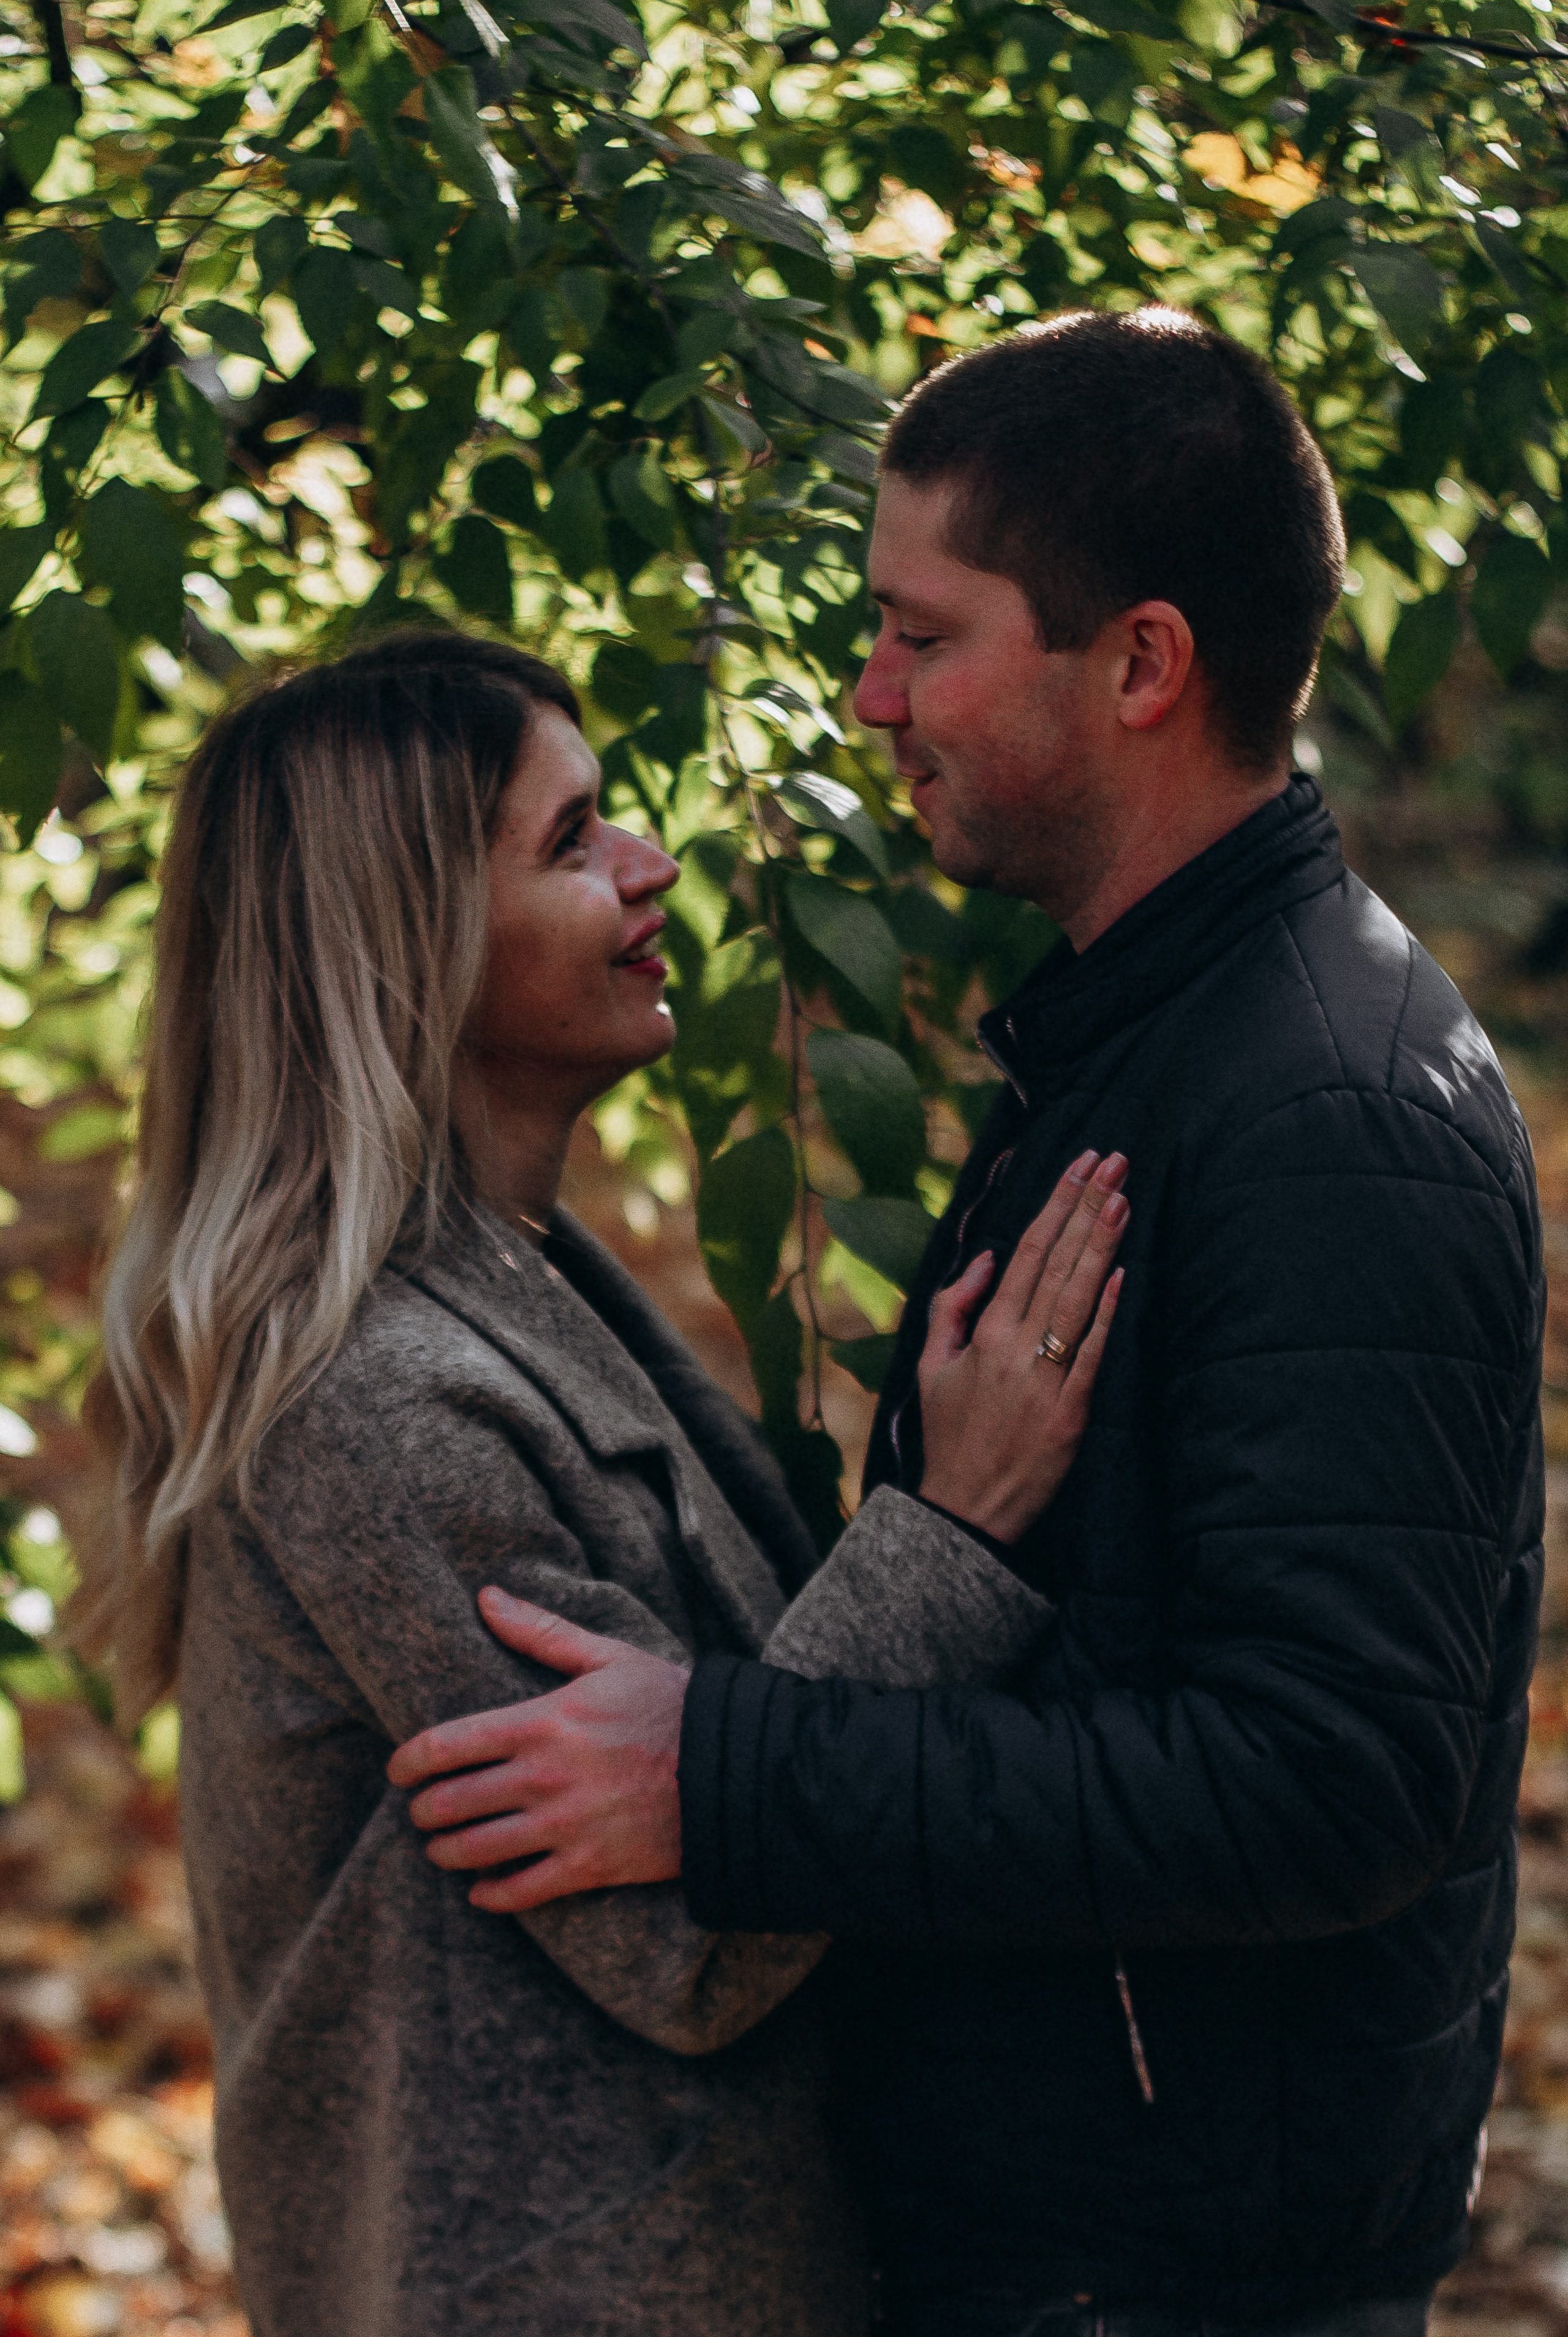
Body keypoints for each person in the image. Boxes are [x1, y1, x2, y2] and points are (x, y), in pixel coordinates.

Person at [393, 309, 1546, 2337]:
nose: (868, 696)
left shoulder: (1323, 1114)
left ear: (1142, 664)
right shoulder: (1149, 1035)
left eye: (924, 637)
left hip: (1167, 2281)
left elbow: (1336, 1779)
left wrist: (735, 1777)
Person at [68, 628, 1129, 2337]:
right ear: (409, 947)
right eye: (570, 845)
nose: (648, 869)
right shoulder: (377, 1408)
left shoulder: (515, 1287)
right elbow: (683, 1938)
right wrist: (954, 1529)